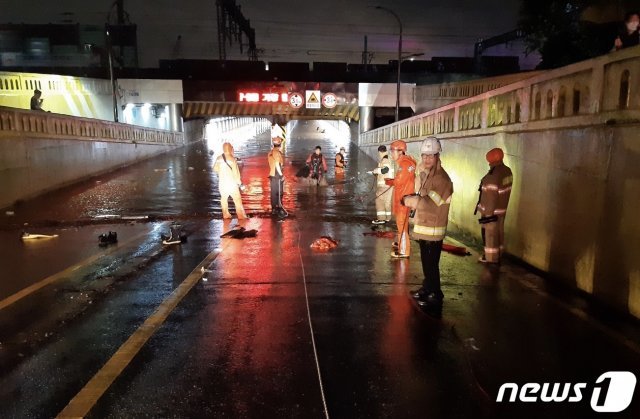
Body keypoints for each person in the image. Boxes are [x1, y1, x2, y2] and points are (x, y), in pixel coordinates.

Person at [402, 137, 453, 308]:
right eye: (424, 155)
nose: (427, 159)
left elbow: (430, 203)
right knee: (426, 262)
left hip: (434, 228)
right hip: (425, 227)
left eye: (431, 156)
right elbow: (422, 191)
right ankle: (427, 288)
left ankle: (435, 294)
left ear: (438, 156)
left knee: (431, 265)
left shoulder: (441, 179)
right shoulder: (428, 174)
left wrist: (410, 200)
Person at [475, 147, 513, 264]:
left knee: (490, 235)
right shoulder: (507, 171)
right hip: (501, 210)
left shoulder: (493, 176)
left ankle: (490, 258)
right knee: (499, 233)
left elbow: (491, 197)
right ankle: (499, 254)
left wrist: (487, 216)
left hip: (491, 212)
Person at [388, 140, 416, 258]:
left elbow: (399, 181)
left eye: (392, 151)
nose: (391, 154)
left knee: (402, 225)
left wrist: (389, 181)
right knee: (402, 225)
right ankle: (401, 244)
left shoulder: (404, 164)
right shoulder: (407, 162)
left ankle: (404, 251)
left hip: (402, 200)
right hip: (404, 198)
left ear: (400, 152)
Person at [213, 142, 247, 219]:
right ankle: (241, 216)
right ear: (230, 149)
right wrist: (240, 184)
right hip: (232, 185)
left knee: (224, 200)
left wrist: (221, 172)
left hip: (222, 184)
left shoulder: (219, 158)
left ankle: (226, 214)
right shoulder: (232, 159)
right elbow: (236, 174)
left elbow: (215, 168)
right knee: (237, 200)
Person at [369, 145, 394, 225]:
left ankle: (381, 219)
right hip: (389, 184)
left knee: (379, 200)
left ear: (379, 152)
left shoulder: (385, 160)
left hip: (384, 185)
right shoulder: (389, 158)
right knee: (387, 203)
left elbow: (385, 170)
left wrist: (376, 171)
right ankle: (388, 219)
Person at [268, 135, 287, 218]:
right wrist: (281, 175)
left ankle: (274, 209)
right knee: (279, 192)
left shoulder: (270, 152)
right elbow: (277, 165)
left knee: (273, 192)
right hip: (277, 175)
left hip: (272, 175)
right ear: (279, 144)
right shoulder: (277, 153)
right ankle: (279, 208)